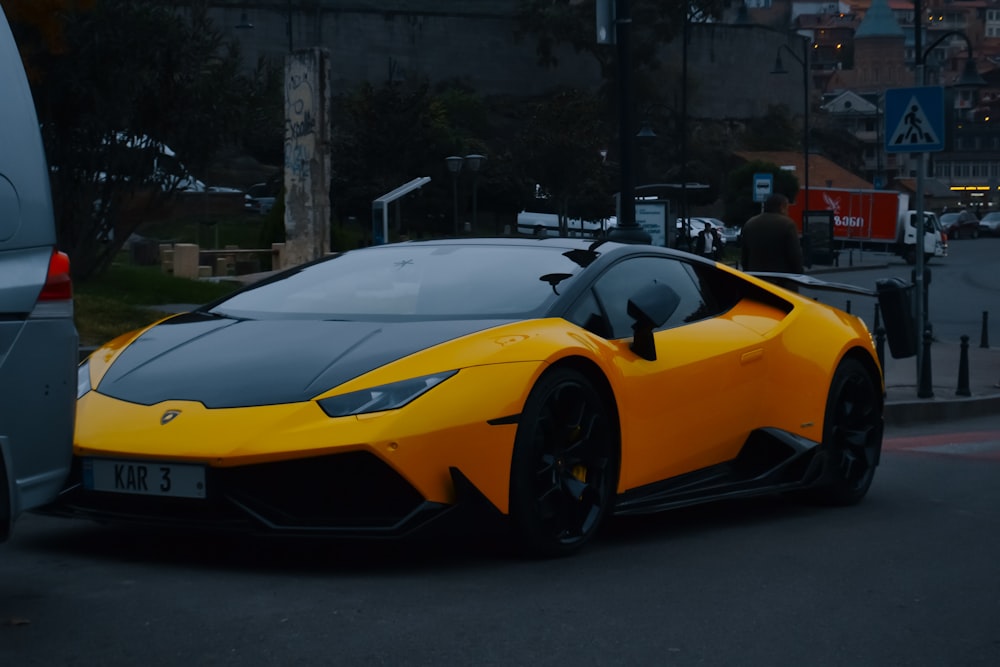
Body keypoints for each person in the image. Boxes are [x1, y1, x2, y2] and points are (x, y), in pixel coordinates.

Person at [741, 193, 804, 274]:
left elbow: (745, 255)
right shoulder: (787, 224)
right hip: (781, 278)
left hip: (756, 277)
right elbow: (795, 255)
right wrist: (799, 273)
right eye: (787, 208)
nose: (788, 212)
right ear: (782, 207)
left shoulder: (750, 224)